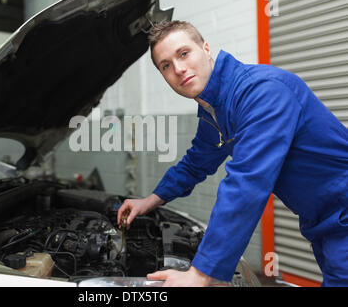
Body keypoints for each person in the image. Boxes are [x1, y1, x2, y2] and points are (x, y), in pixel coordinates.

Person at [117, 20, 348, 287]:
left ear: (206, 49)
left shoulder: (262, 92)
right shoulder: (214, 109)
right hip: (324, 221)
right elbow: (196, 162)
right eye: (166, 65)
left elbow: (247, 183)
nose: (178, 69)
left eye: (184, 53)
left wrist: (200, 273)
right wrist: (151, 200)